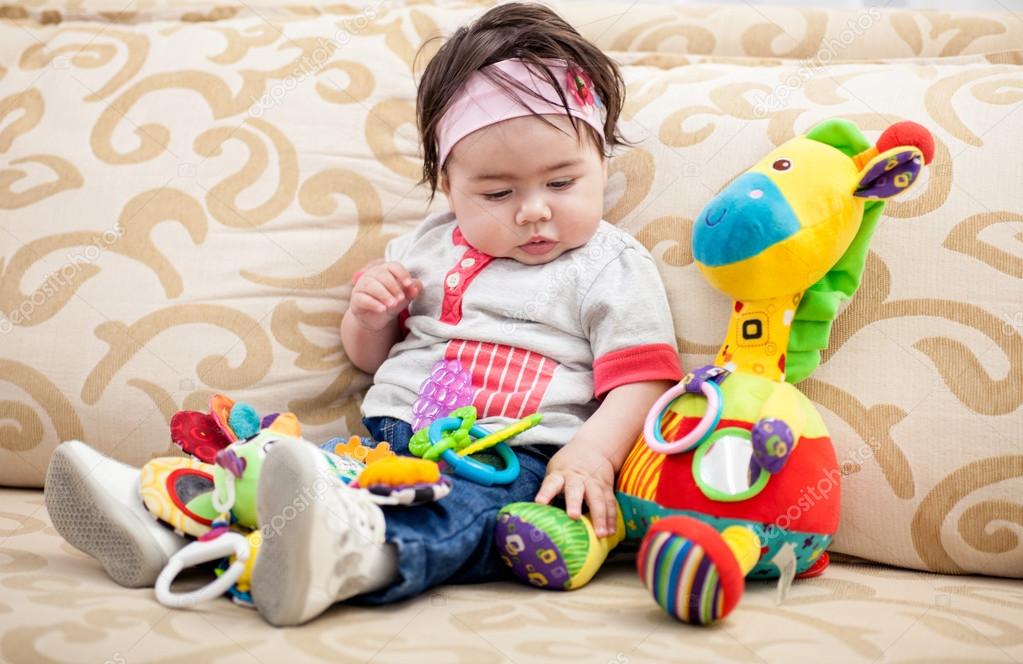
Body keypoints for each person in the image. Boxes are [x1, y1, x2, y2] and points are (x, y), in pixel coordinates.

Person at [44, 2, 683, 627]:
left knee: (459, 512)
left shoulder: (608, 263)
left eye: (562, 183)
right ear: (449, 185)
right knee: (285, 468)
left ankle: (356, 557)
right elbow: (370, 359)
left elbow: (644, 378)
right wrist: (371, 316)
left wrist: (592, 456)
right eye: (497, 192)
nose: (533, 210)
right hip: (385, 438)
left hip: (511, 454)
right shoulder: (427, 246)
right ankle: (172, 524)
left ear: (601, 161)